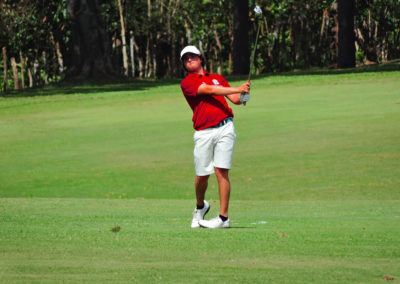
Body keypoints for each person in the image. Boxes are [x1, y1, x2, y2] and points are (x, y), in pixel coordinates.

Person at [180, 45, 250, 229]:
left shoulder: (218, 78)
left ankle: (223, 218)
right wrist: (237, 88)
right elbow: (209, 91)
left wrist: (244, 95)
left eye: (192, 56)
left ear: (200, 58)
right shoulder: (188, 82)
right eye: (186, 59)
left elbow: (235, 100)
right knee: (202, 175)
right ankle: (200, 207)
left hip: (225, 127)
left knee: (221, 171)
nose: (189, 60)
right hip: (204, 131)